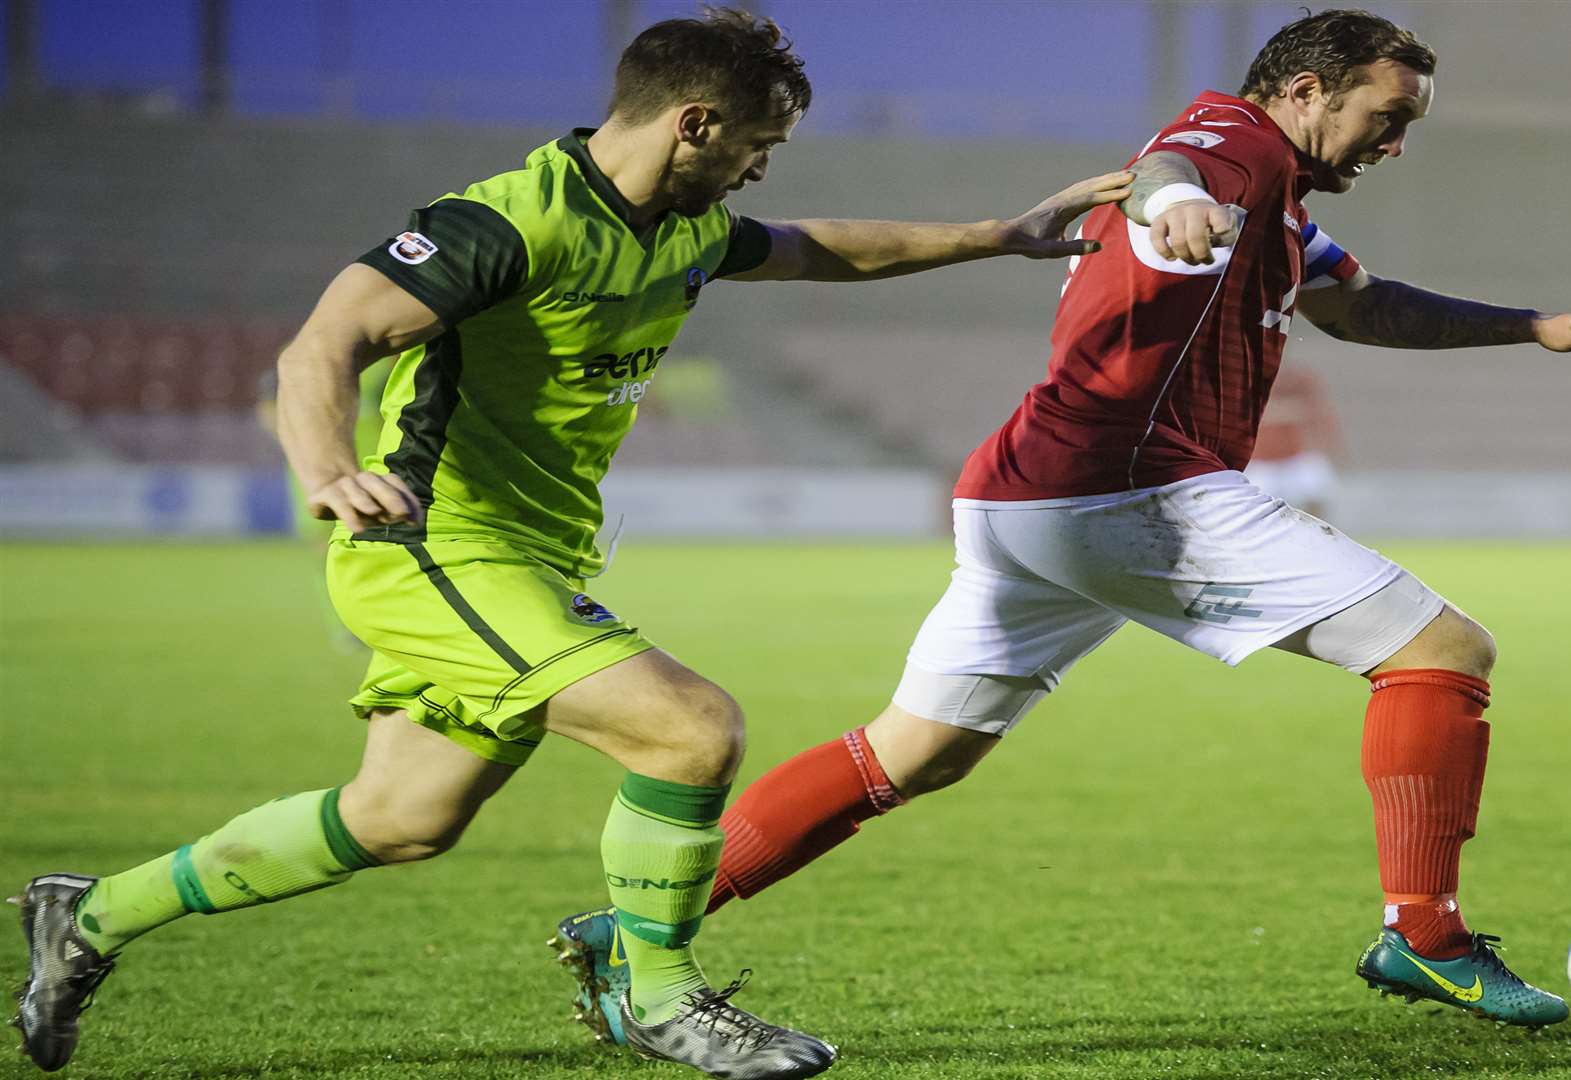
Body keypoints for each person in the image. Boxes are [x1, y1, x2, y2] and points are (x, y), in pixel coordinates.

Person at [8, 10, 1131, 1077]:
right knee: (690, 731)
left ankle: (89, 914)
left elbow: (816, 249)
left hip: (529, 559)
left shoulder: (682, 226)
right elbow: (326, 342)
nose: (761, 166)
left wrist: (1000, 235)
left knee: (400, 819)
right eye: (758, 141)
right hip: (435, 543)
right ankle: (656, 995)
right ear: (694, 121)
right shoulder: (504, 221)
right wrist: (324, 468)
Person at [549, 8, 1571, 1044]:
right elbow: (1172, 164)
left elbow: (1363, 306)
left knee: (915, 750)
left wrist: (1532, 326)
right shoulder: (1235, 144)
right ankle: (1424, 936)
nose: (1396, 142)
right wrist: (1168, 199)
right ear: (1311, 91)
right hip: (1124, 486)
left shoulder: (1281, 207)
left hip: (1029, 495)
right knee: (1442, 649)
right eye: (1389, 117)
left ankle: (638, 925)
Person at [1244, 362, 1345, 519]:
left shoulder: (1299, 379)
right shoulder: (1247, 380)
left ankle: (1315, 533)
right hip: (1261, 461)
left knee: (1318, 493)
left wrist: (1326, 441)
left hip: (1294, 456)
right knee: (1252, 507)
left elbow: (1317, 410)